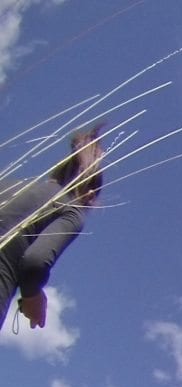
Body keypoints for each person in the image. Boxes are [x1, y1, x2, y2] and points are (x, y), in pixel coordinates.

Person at [0, 126, 104, 330]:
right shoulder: (71, 209)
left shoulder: (9, 185)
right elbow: (35, 262)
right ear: (89, 195)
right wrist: (33, 296)